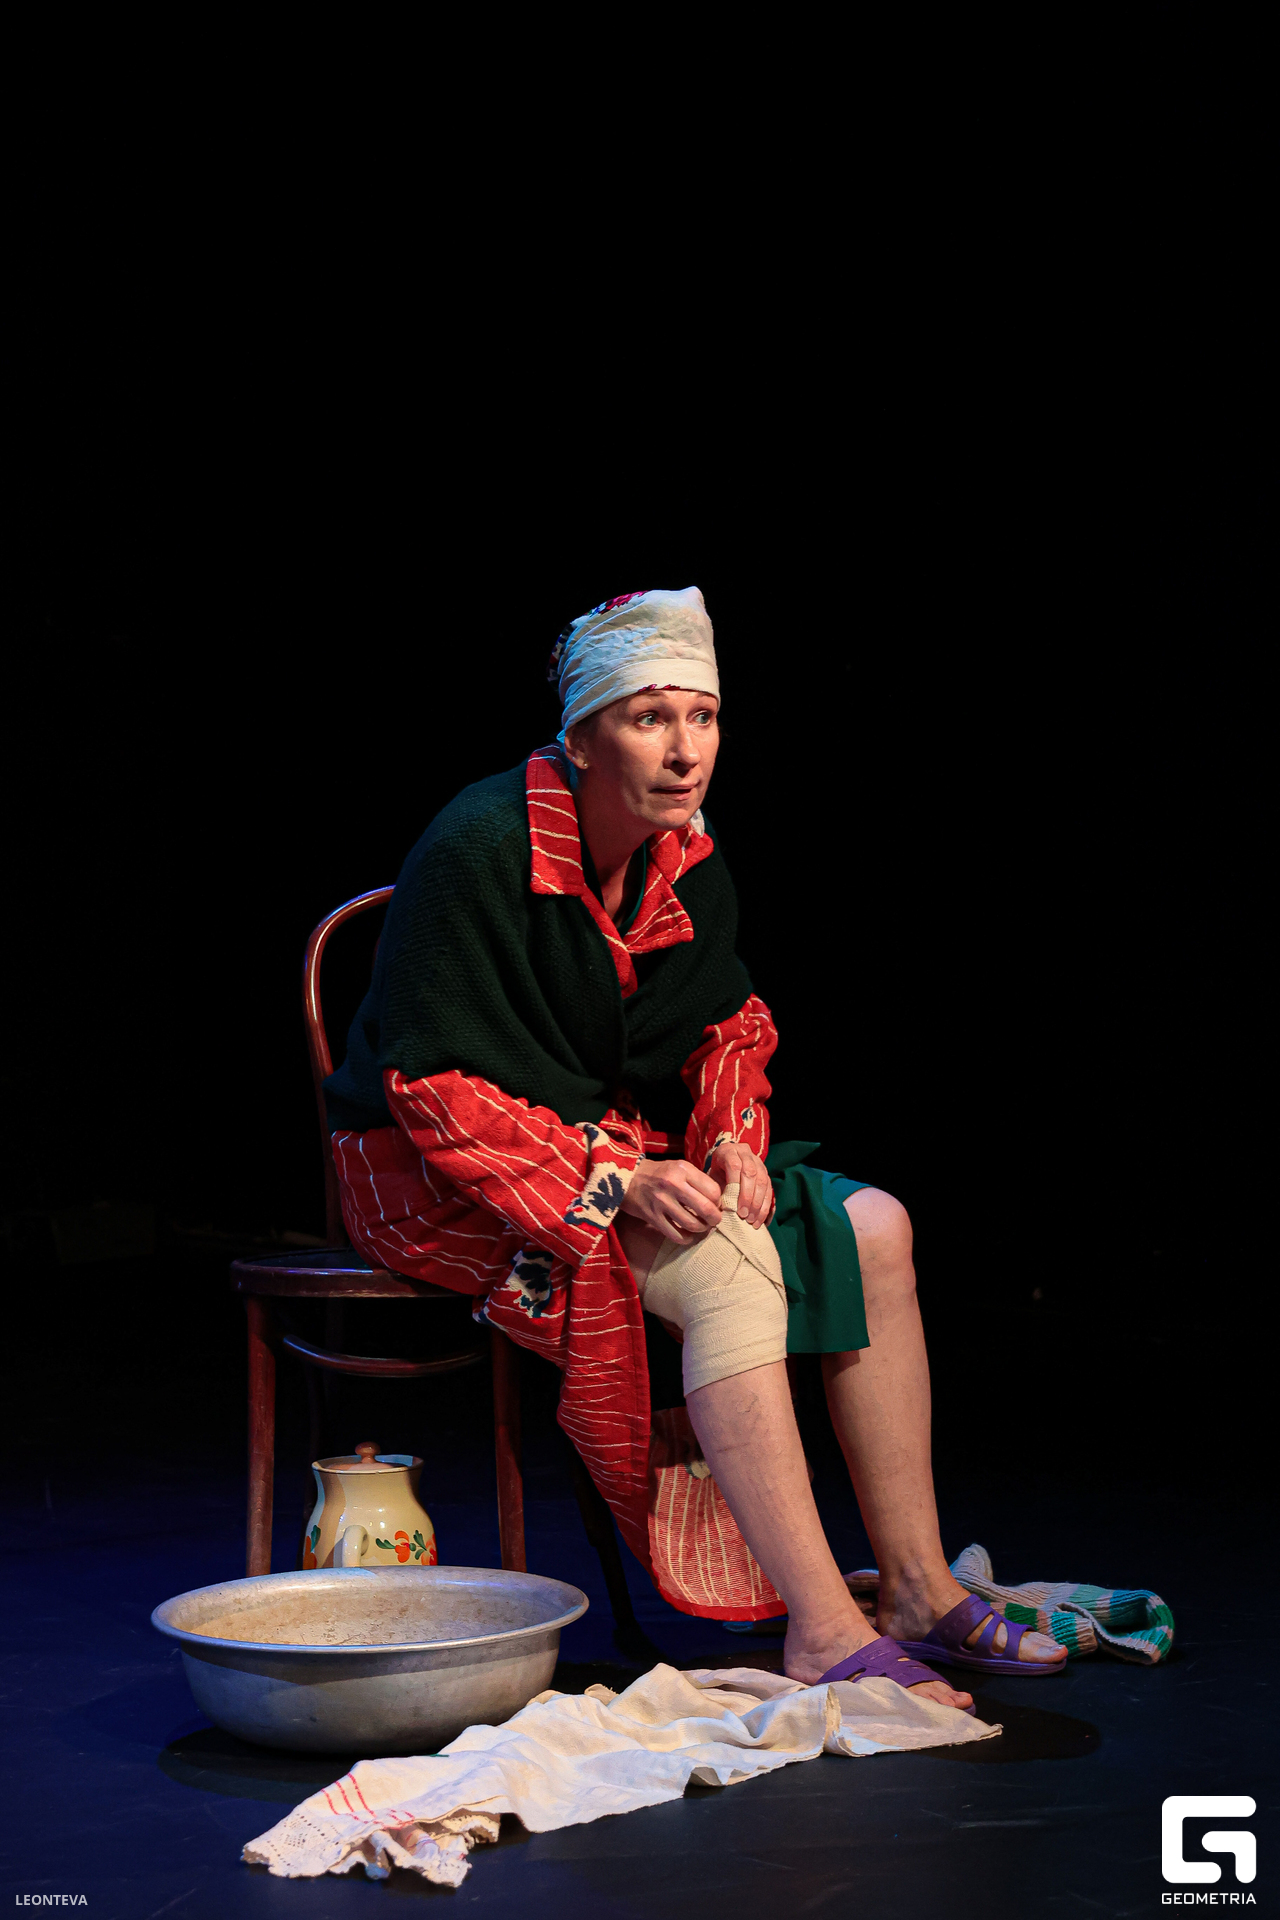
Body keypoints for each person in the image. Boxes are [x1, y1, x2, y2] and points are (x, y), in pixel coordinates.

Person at [323, 587, 1066, 1707]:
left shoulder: (684, 855)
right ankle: (823, 1629)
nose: (685, 752)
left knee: (874, 1226)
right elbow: (430, 1089)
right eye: (649, 718)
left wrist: (729, 1141)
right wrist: (617, 1178)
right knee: (724, 1269)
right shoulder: (479, 844)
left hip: (605, 1141)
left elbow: (725, 1026)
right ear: (582, 739)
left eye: (703, 717)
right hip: (434, 1172)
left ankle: (916, 1587)